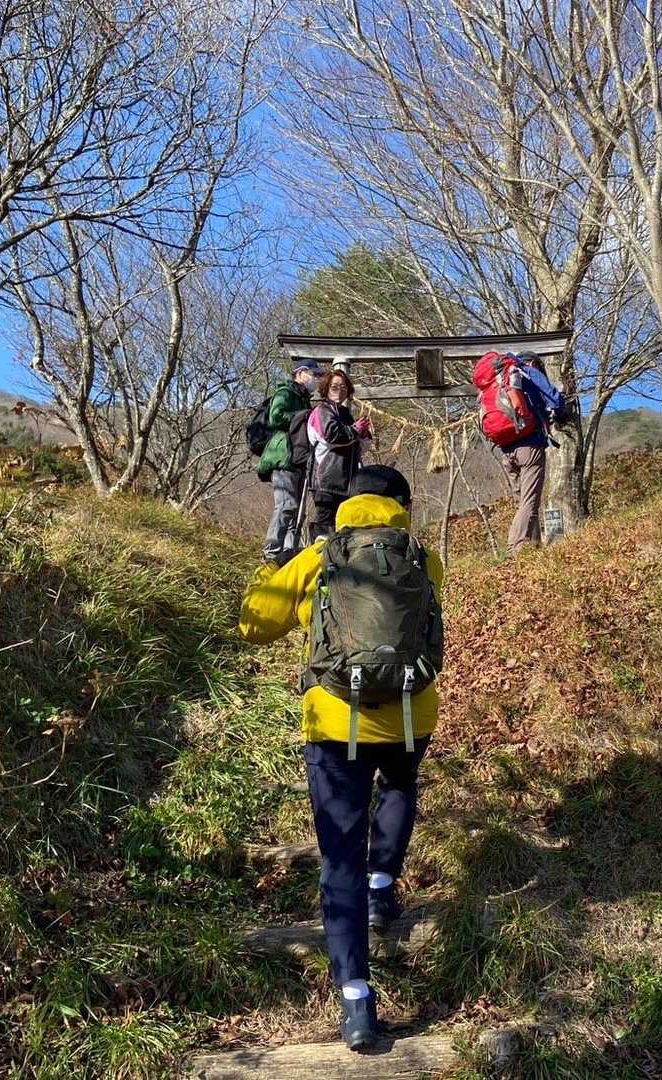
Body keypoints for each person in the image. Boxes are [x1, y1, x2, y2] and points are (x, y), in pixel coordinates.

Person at [239, 465, 443, 1052]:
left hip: (334, 722)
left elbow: (253, 625)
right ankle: (382, 888)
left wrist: (269, 570)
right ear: (401, 505)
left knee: (338, 855)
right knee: (399, 788)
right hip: (409, 713)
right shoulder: (423, 558)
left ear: (345, 504)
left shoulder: (319, 557)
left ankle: (355, 998)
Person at [496, 351, 565, 554]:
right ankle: (516, 550)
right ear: (534, 363)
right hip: (530, 447)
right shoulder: (527, 371)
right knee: (529, 502)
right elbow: (555, 399)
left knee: (522, 503)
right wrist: (559, 412)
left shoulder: (501, 378)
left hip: (506, 451)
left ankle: (530, 548)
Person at [257, 360, 321, 564]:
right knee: (287, 504)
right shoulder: (286, 392)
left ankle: (288, 551)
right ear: (300, 373)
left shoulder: (303, 398)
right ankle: (271, 552)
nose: (316, 379)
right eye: (314, 374)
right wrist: (303, 415)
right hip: (283, 456)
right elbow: (276, 418)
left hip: (299, 458)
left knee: (297, 508)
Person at [307, 368, 372, 542]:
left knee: (343, 532)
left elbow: (357, 448)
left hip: (347, 483)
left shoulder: (345, 415)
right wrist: (355, 431)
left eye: (343, 387)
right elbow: (331, 436)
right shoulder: (322, 411)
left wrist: (364, 435)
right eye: (334, 386)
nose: (339, 390)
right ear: (326, 388)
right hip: (326, 482)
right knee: (324, 533)